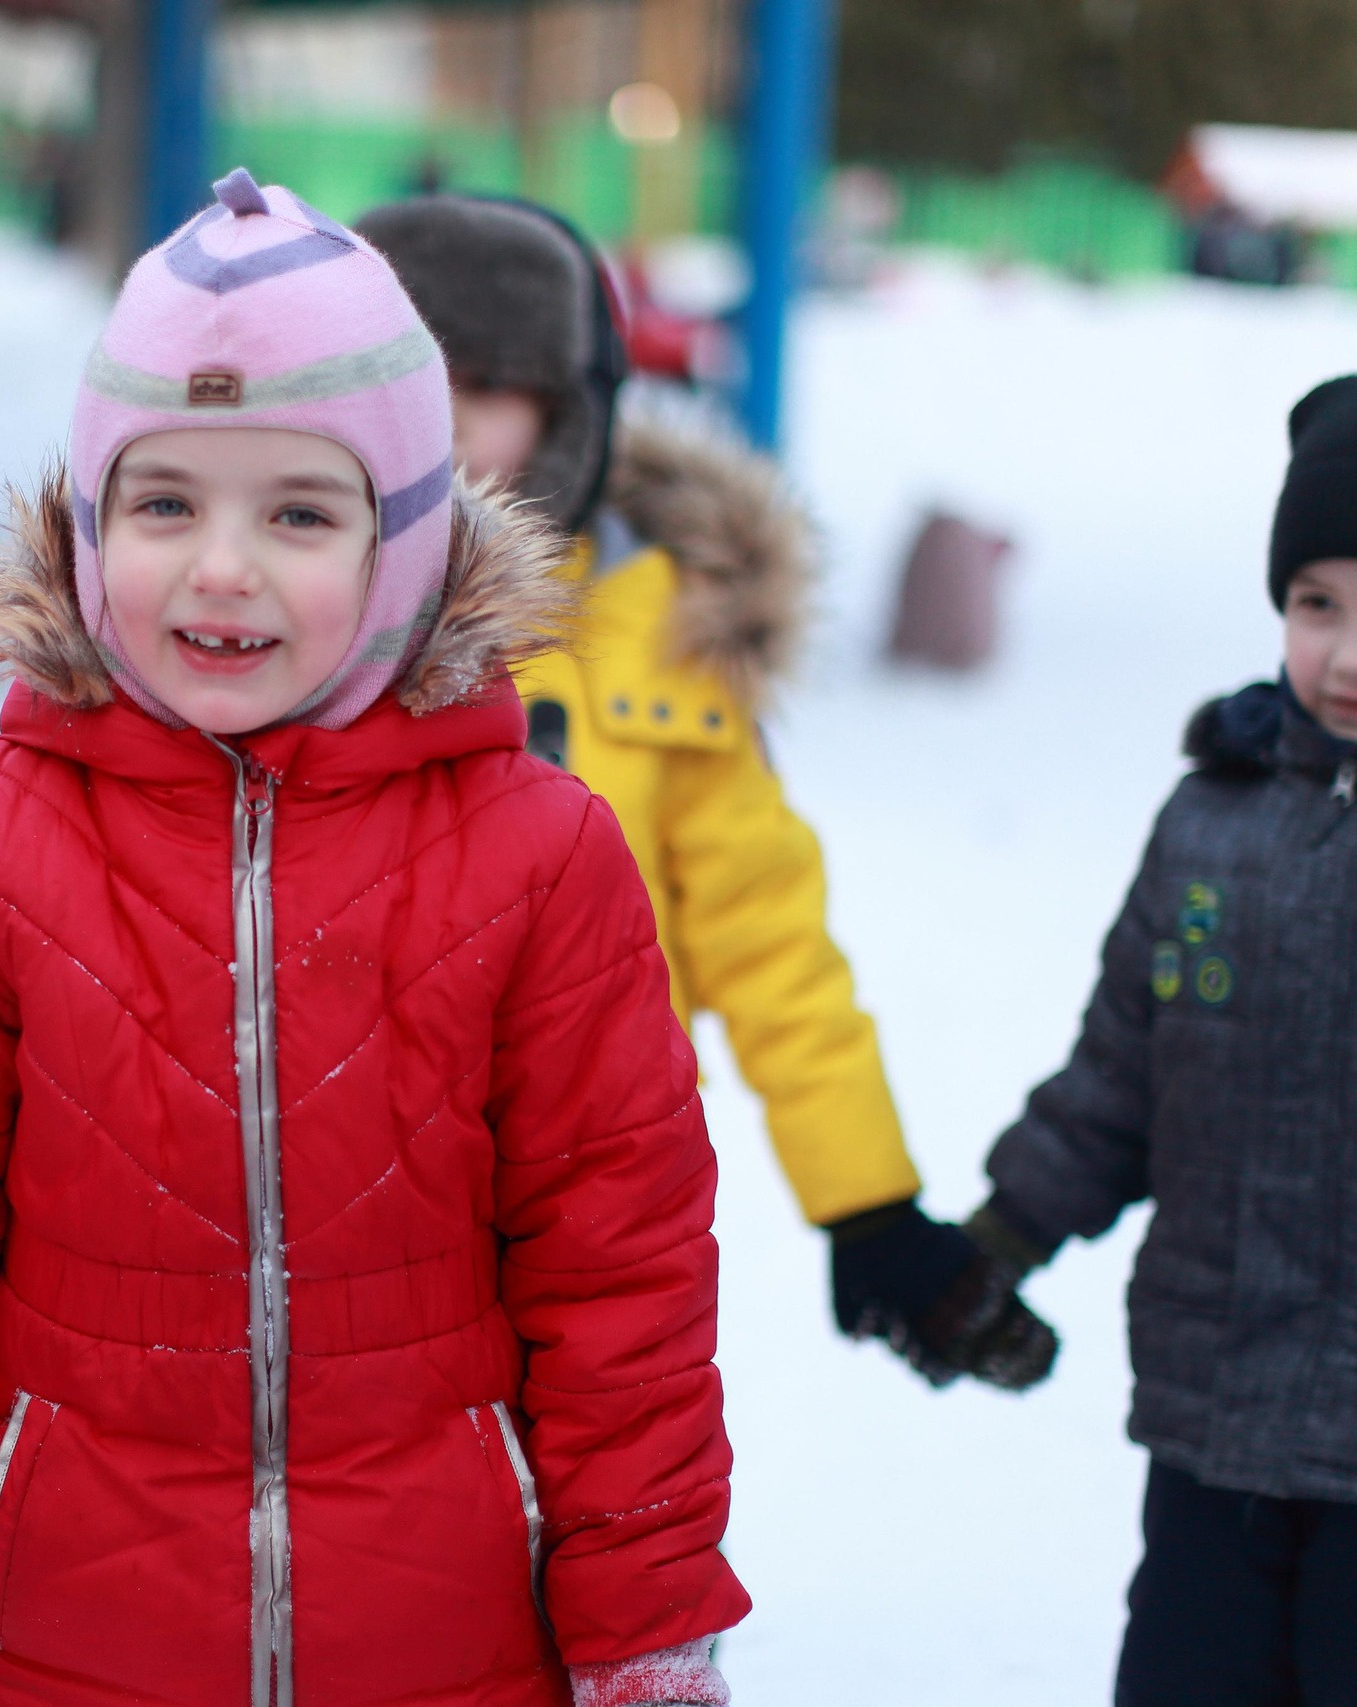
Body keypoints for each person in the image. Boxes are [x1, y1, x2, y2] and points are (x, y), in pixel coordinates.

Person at [0, 169, 750, 1707]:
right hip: (77, 1645)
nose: (223, 567)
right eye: (165, 503)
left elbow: (622, 1280)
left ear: (402, 544)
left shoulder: (541, 852)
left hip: (448, 1647)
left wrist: (649, 1629)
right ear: (92, 527)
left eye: (299, 511)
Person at [356, 194, 1053, 1391]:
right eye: (414, 379)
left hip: (590, 1196)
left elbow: (767, 940)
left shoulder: (663, 630)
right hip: (325, 1201)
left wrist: (866, 1202)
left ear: (569, 410)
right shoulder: (267, 622)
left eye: (492, 386)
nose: (450, 420)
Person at [972, 366, 1357, 1705]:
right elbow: (1121, 1072)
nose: (1352, 655)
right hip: (1214, 1425)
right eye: (1316, 603)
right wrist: (1000, 1236)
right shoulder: (1217, 816)